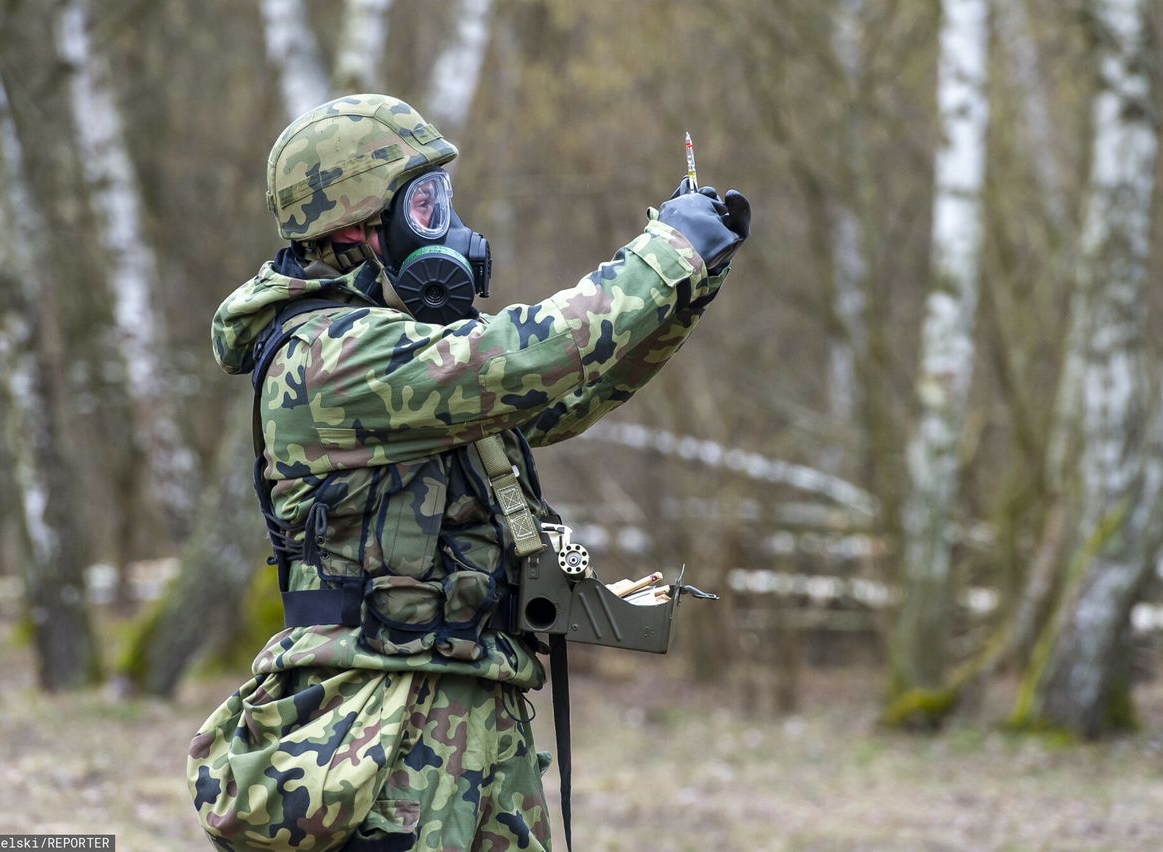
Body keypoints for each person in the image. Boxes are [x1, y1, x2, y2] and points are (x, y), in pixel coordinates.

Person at [187, 93, 749, 851]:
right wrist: (667, 252)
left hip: (472, 702)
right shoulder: (329, 356)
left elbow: (562, 394)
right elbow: (528, 355)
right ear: (355, 225)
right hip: (379, 721)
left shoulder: (405, 349)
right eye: (424, 205)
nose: (446, 225)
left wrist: (690, 284)